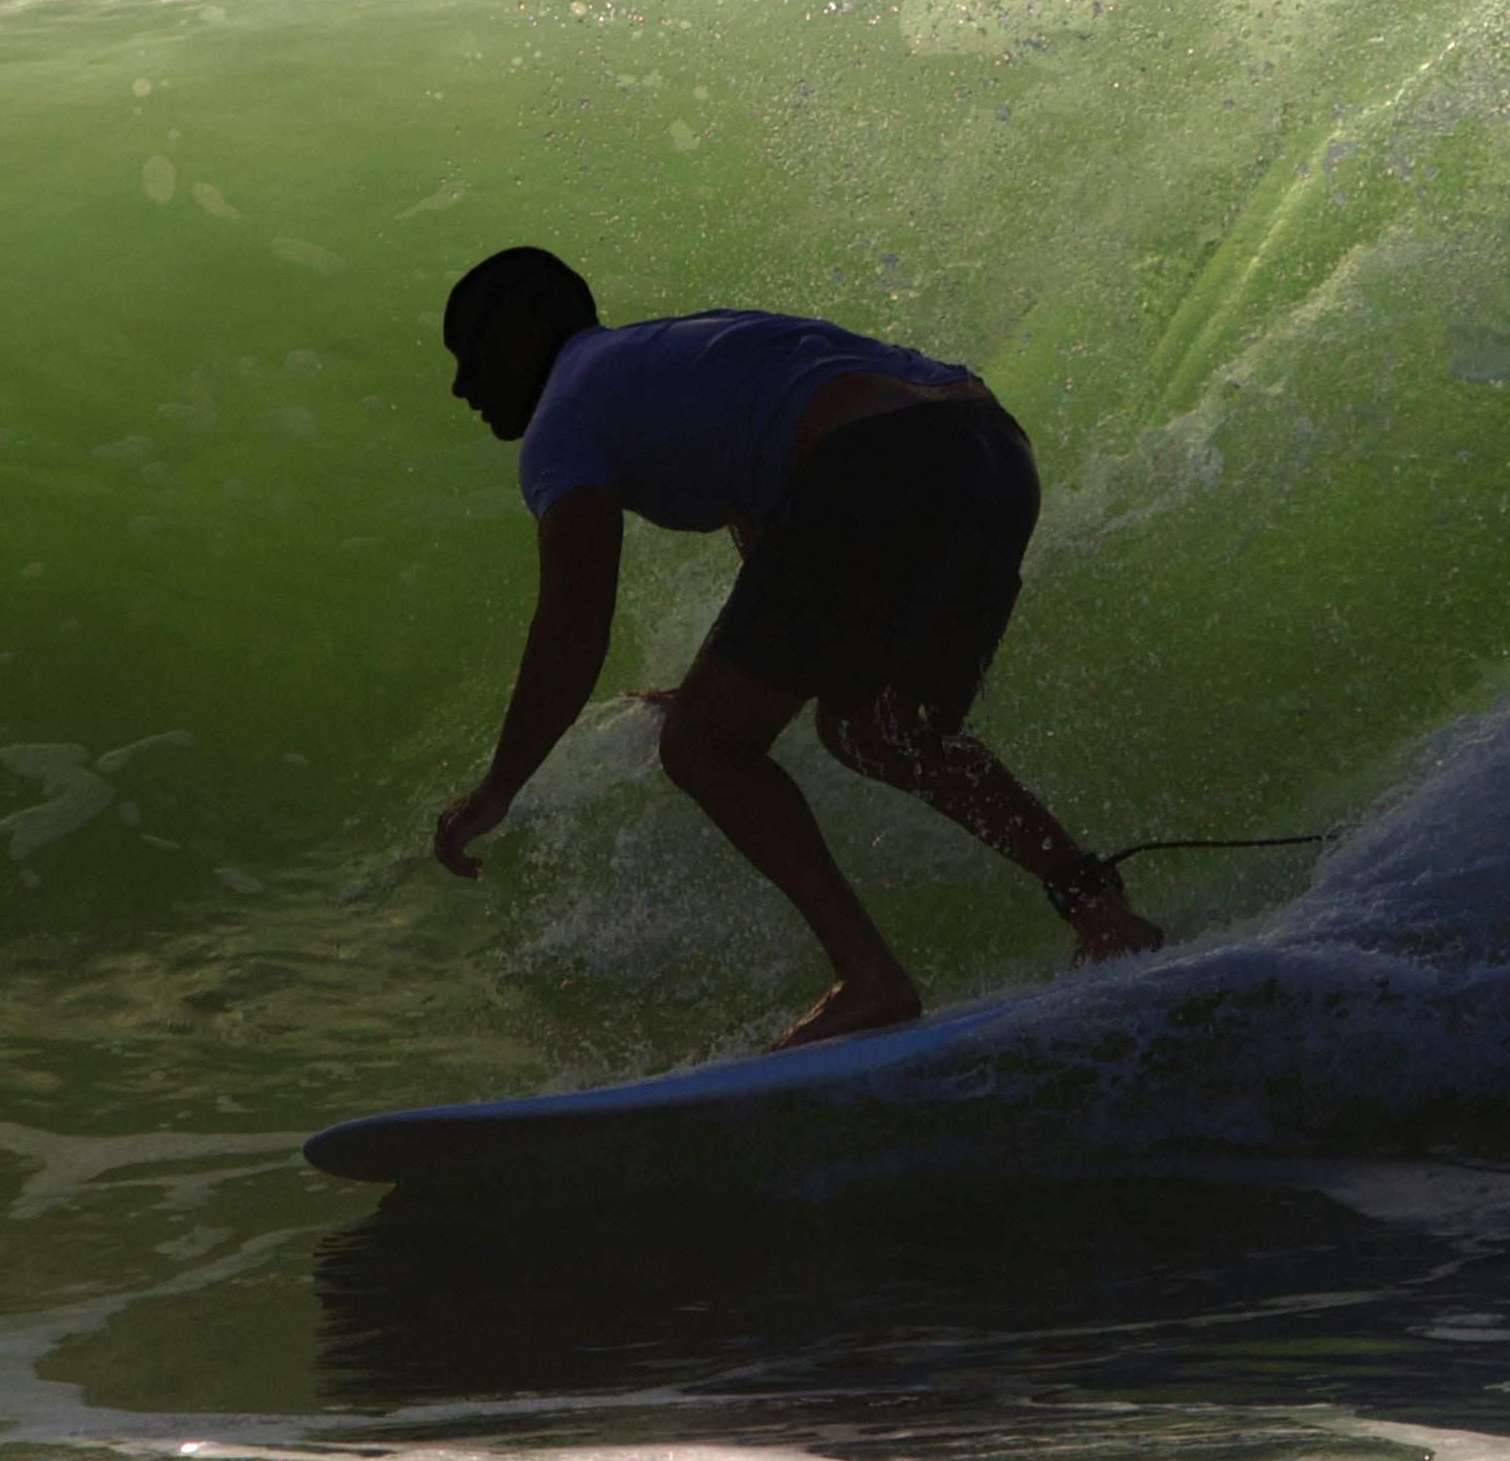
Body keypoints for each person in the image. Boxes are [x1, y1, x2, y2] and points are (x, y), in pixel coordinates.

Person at [425, 244, 1162, 1046]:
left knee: (702, 748)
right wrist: (722, 681)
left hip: (881, 463)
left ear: (521, 334)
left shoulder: (562, 414)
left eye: (468, 352)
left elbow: (575, 621)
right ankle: (1103, 912)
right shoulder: (668, 356)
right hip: (990, 452)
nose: (461, 384)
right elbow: (783, 538)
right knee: (881, 730)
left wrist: (501, 784)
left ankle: (870, 978)